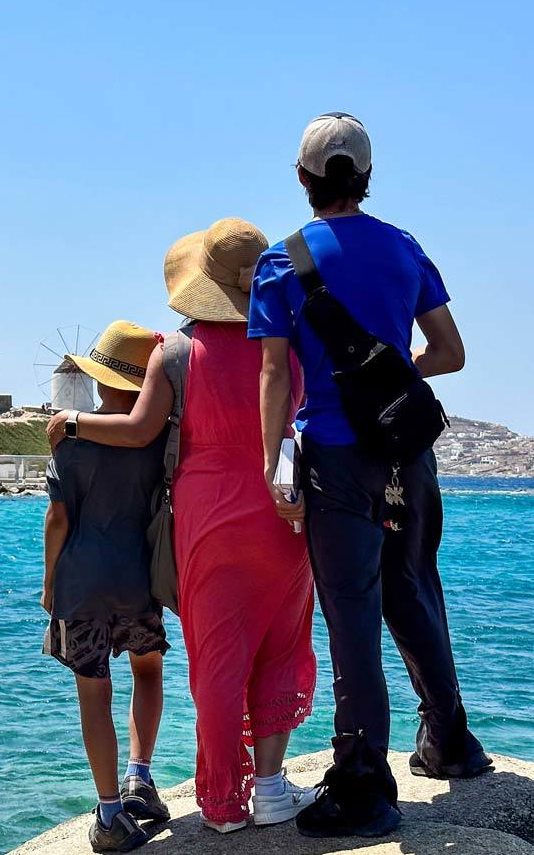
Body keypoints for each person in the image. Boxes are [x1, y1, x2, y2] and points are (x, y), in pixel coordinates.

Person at [250, 112, 491, 839]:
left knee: (350, 614)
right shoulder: (402, 246)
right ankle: (449, 742)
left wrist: (271, 463)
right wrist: (389, 377)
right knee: (414, 591)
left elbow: (270, 373)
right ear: (365, 177)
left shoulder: (281, 261)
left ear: (302, 179)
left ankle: (361, 782)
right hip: (407, 456)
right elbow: (447, 351)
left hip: (333, 459)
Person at [48, 220, 318, 834]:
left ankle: (222, 805)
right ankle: (272, 789)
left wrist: (73, 422)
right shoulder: (289, 344)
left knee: (218, 661)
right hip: (283, 506)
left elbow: (141, 430)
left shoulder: (175, 352)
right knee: (279, 642)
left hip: (210, 516)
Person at [42, 321, 171, 853]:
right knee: (148, 670)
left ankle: (110, 813)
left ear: (100, 382)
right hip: (136, 577)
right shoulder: (157, 436)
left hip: (82, 582)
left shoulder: (72, 440)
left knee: (93, 693)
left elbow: (58, 520)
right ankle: (140, 776)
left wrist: (50, 583)